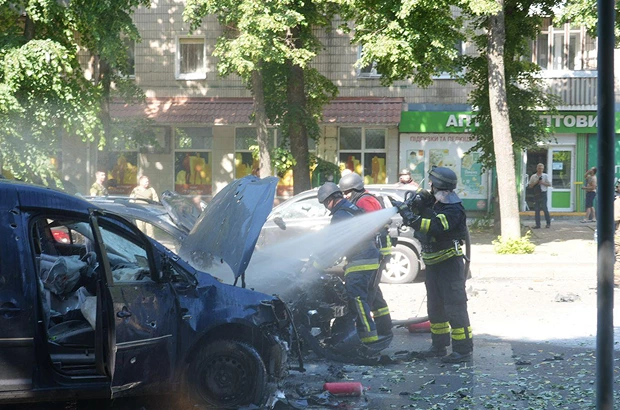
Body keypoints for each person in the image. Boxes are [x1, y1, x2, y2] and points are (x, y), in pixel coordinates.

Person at [394, 166, 472, 363]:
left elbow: (434, 226)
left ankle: (462, 350)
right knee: (435, 308)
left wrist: (411, 217)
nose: (429, 185)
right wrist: (413, 204)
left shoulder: (453, 208)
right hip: (433, 265)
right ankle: (438, 346)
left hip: (449, 264)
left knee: (455, 308)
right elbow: (424, 210)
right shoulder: (435, 202)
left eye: (432, 183)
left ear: (438, 184)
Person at [315, 182, 381, 344]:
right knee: (364, 298)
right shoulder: (351, 208)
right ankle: (363, 334)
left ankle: (369, 339)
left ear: (330, 200)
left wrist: (317, 265)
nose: (326, 207)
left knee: (356, 299)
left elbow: (333, 245)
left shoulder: (340, 216)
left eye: (325, 203)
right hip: (369, 257)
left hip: (361, 260)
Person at [338, 172, 393, 337]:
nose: (345, 196)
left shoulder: (364, 201)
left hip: (376, 250)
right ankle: (384, 326)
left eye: (347, 192)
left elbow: (369, 226)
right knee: (373, 290)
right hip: (377, 249)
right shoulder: (363, 199)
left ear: (355, 189)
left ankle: (370, 331)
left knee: (368, 292)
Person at [528, 163, 551, 229]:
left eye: (542, 169)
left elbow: (549, 184)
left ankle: (548, 223)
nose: (540, 170)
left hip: (543, 193)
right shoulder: (533, 176)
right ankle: (538, 224)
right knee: (537, 209)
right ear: (537, 168)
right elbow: (530, 185)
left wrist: (542, 183)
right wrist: (536, 182)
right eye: (539, 168)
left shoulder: (545, 176)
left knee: (544, 208)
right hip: (536, 194)